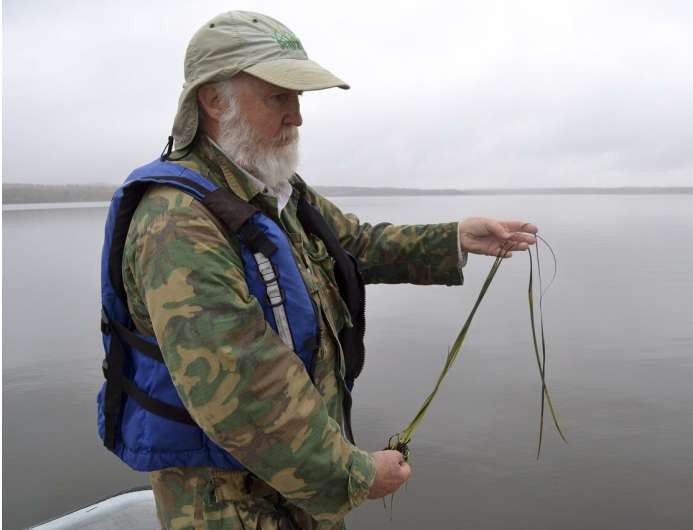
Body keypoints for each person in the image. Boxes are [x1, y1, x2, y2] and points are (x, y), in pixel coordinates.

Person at [97, 10, 538, 530]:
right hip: (229, 508)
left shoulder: (272, 191)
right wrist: (353, 474)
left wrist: (455, 237)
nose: (298, 116)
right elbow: (243, 389)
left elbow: (353, 242)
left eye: (298, 98)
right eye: (278, 96)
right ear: (214, 101)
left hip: (296, 490)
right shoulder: (178, 221)